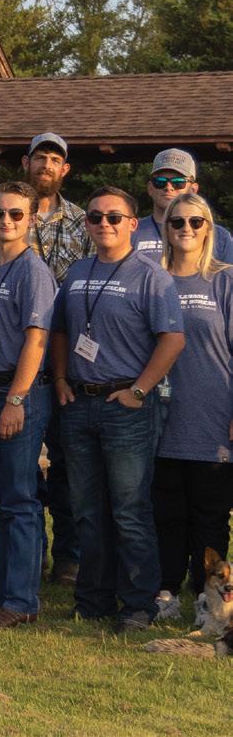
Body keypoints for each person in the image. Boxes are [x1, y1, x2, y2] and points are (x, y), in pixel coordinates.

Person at [52, 186, 184, 632]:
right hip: (80, 403)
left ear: (132, 223)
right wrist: (60, 379)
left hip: (126, 406)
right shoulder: (77, 272)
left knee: (129, 510)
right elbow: (60, 331)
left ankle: (138, 605)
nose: (103, 224)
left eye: (113, 217)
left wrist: (140, 391)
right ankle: (93, 601)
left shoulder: (151, 276)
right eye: (94, 217)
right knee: (87, 510)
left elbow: (173, 339)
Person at [0, 181, 59, 627]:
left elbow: (36, 340)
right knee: (1, 499)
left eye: (16, 214)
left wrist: (16, 399)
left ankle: (21, 602)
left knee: (21, 499)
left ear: (32, 219)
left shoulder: (32, 271)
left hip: (18, 393)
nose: (6, 220)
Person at [152, 193, 233, 626]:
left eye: (195, 222)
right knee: (166, 513)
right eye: (177, 222)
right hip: (160, 418)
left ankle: (207, 600)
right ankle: (166, 593)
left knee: (210, 515)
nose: (186, 229)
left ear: (209, 229)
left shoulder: (225, 280)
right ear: (165, 228)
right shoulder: (152, 278)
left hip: (212, 417)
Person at [0, 134, 90, 277]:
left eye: (55, 160)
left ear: (64, 169)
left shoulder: (83, 222)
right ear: (26, 163)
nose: (47, 165)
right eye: (40, 158)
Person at [135, 148, 233, 262]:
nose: (168, 187)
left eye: (178, 182)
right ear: (150, 188)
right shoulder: (130, 232)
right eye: (160, 182)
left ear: (193, 189)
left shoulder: (220, 237)